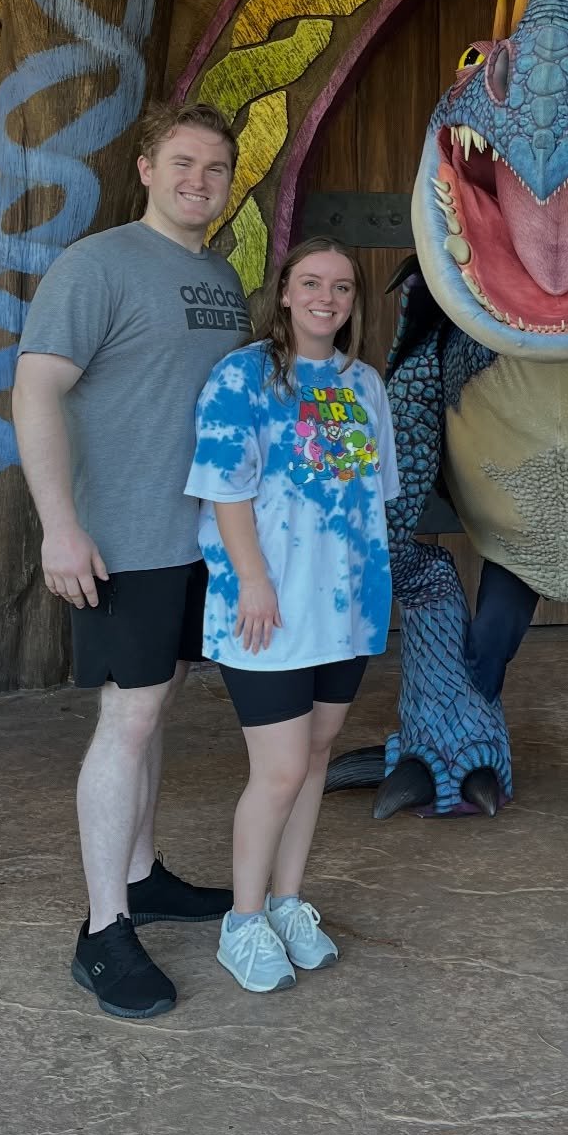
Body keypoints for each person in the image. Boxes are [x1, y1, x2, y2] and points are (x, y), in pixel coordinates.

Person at [14, 101, 252, 1021]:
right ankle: (103, 929)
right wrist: (58, 525)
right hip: (122, 535)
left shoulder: (224, 278)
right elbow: (36, 390)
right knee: (130, 714)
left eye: (216, 170)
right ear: (147, 168)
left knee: (156, 708)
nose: (200, 181)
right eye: (183, 163)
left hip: (199, 536)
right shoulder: (98, 263)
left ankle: (144, 876)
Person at [185, 239, 398, 994]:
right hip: (267, 610)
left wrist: (373, 595)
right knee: (276, 770)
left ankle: (286, 901)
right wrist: (252, 580)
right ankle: (241, 922)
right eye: (311, 282)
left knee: (315, 756)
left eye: (341, 286)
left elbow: (375, 495)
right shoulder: (242, 377)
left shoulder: (364, 383)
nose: (326, 298)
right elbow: (224, 487)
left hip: (345, 609)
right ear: (282, 292)